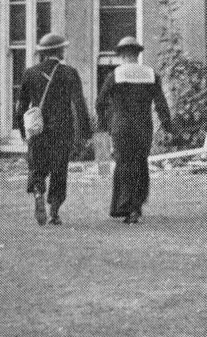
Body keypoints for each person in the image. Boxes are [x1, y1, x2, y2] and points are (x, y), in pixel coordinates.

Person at [14, 33, 93, 226]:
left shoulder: (29, 73)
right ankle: (54, 212)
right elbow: (79, 104)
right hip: (62, 130)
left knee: (38, 167)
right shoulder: (70, 73)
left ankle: (39, 192)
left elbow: (21, 106)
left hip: (38, 130)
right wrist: (85, 132)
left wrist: (23, 131)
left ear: (43, 53)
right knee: (59, 170)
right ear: (59, 51)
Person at [95, 36, 174, 224]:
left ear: (122, 55)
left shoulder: (115, 75)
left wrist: (104, 124)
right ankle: (136, 207)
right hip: (143, 126)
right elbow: (161, 104)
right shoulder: (151, 75)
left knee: (123, 164)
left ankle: (124, 206)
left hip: (121, 126)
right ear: (138, 54)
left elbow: (100, 103)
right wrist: (168, 125)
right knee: (140, 163)